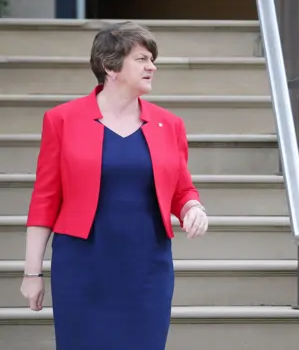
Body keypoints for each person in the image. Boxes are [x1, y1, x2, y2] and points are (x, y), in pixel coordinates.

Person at [19, 21, 209, 350]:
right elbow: (45, 200)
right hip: (83, 265)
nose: (152, 67)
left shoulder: (169, 124)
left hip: (147, 266)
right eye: (142, 59)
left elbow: (182, 189)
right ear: (110, 66)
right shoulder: (62, 119)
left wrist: (193, 207)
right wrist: (32, 273)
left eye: (152, 59)